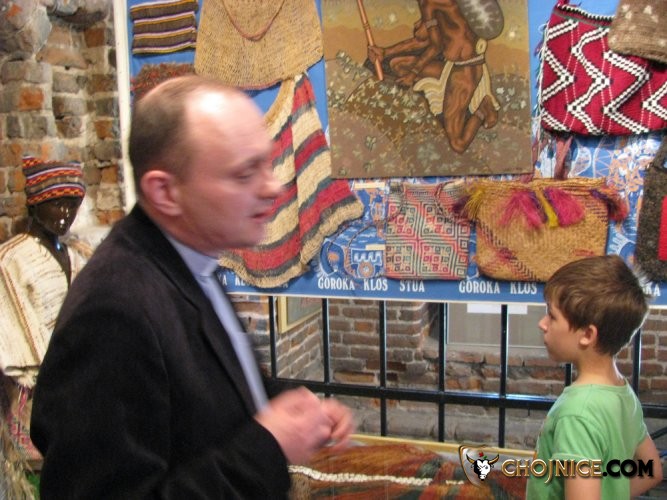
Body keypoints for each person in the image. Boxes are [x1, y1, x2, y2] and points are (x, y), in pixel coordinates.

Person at [30, 75, 355, 499]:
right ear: (165, 191)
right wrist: (268, 445)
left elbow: (198, 394)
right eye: (244, 174)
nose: (273, 188)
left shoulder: (188, 258)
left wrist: (286, 404)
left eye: (266, 163)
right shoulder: (113, 314)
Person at [526, 255, 663, 499]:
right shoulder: (622, 393)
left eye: (552, 316)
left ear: (588, 335)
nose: (542, 324)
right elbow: (651, 470)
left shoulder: (577, 414)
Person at [0, 157, 90, 496]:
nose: (65, 214)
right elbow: (14, 334)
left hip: (81, 390)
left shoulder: (79, 254)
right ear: (35, 203)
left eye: (73, 204)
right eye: (56, 204)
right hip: (31, 396)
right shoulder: (11, 260)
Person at [367, 0, 503, 153]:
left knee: (458, 144)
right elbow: (424, 41)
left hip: (466, 70)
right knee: (398, 64)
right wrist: (385, 52)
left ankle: (483, 109)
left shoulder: (430, 3)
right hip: (451, 65)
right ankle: (446, 93)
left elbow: (435, 46)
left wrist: (413, 74)